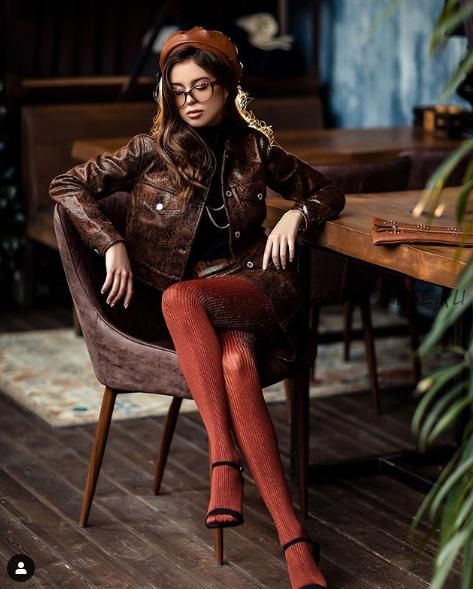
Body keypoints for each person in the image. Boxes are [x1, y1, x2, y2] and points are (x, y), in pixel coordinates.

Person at [49, 26, 345, 589]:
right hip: (196, 309)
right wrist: (110, 241)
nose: (189, 99)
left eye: (201, 86)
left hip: (257, 286)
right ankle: (295, 542)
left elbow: (328, 191)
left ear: (227, 88)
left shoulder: (255, 149)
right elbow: (66, 185)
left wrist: (296, 214)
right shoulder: (150, 150)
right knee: (234, 362)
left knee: (181, 298)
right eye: (178, 89)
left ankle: (222, 459)